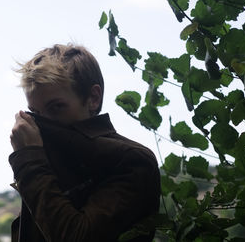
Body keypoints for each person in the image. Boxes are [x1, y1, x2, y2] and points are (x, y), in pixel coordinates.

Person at [9, 44, 160, 242]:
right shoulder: (49, 158)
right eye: (35, 113)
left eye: (56, 108)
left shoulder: (131, 161)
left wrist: (29, 162)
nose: (42, 123)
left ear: (93, 98)